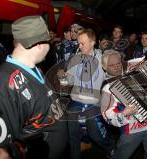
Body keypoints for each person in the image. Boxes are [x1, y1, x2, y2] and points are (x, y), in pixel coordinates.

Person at [0, 16, 67, 159]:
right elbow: (3, 151)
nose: (50, 45)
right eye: (49, 41)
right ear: (39, 44)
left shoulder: (33, 68)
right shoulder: (5, 83)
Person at [57, 28, 114, 159]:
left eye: (83, 43)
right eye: (78, 43)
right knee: (72, 134)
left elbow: (113, 77)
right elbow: (68, 83)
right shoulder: (74, 59)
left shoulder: (103, 58)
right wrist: (63, 77)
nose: (79, 46)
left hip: (93, 102)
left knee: (95, 133)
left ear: (93, 42)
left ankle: (110, 147)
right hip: (76, 101)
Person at [101, 49, 147, 159]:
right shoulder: (107, 88)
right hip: (131, 130)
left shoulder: (132, 69)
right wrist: (123, 113)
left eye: (118, 63)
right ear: (104, 67)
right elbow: (106, 116)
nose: (116, 67)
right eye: (111, 65)